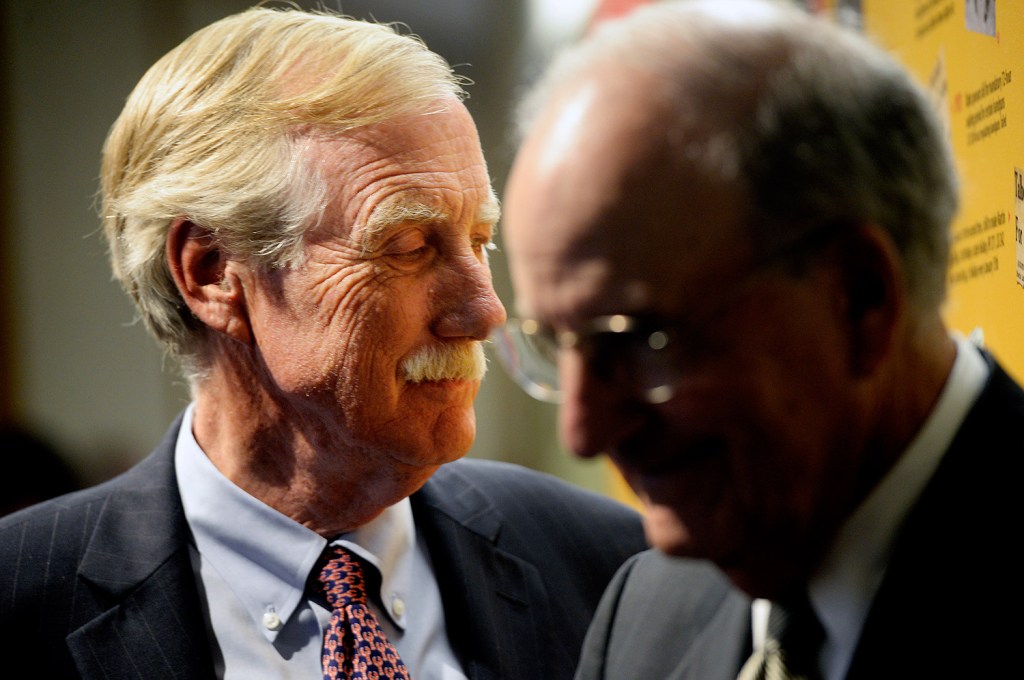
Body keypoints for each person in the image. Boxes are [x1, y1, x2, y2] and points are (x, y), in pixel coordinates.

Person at [0, 7, 646, 679]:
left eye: (479, 242)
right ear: (212, 272)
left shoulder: (608, 566)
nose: (485, 310)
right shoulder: (22, 604)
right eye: (410, 247)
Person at [497, 0, 1019, 678]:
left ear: (859, 297)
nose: (583, 432)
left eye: (640, 341)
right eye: (557, 346)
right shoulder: (640, 614)